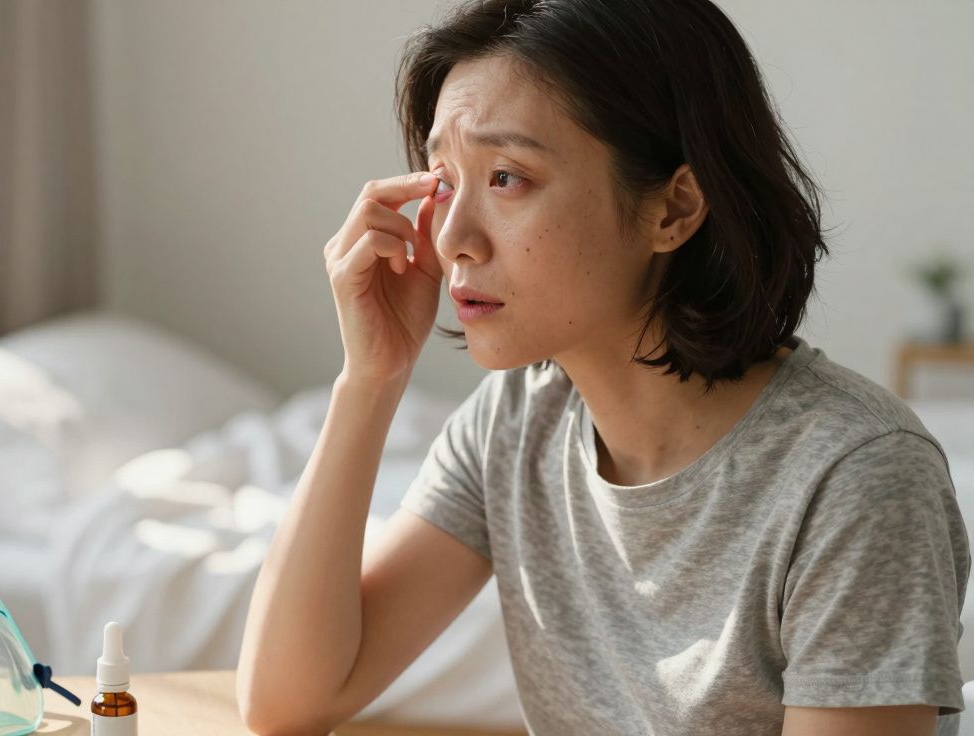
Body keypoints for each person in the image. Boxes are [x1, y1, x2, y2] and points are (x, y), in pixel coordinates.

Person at [236, 1, 970, 734]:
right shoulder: (517, 422)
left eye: (506, 178)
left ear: (673, 209)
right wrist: (368, 380)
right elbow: (285, 701)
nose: (452, 238)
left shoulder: (858, 478)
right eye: (442, 181)